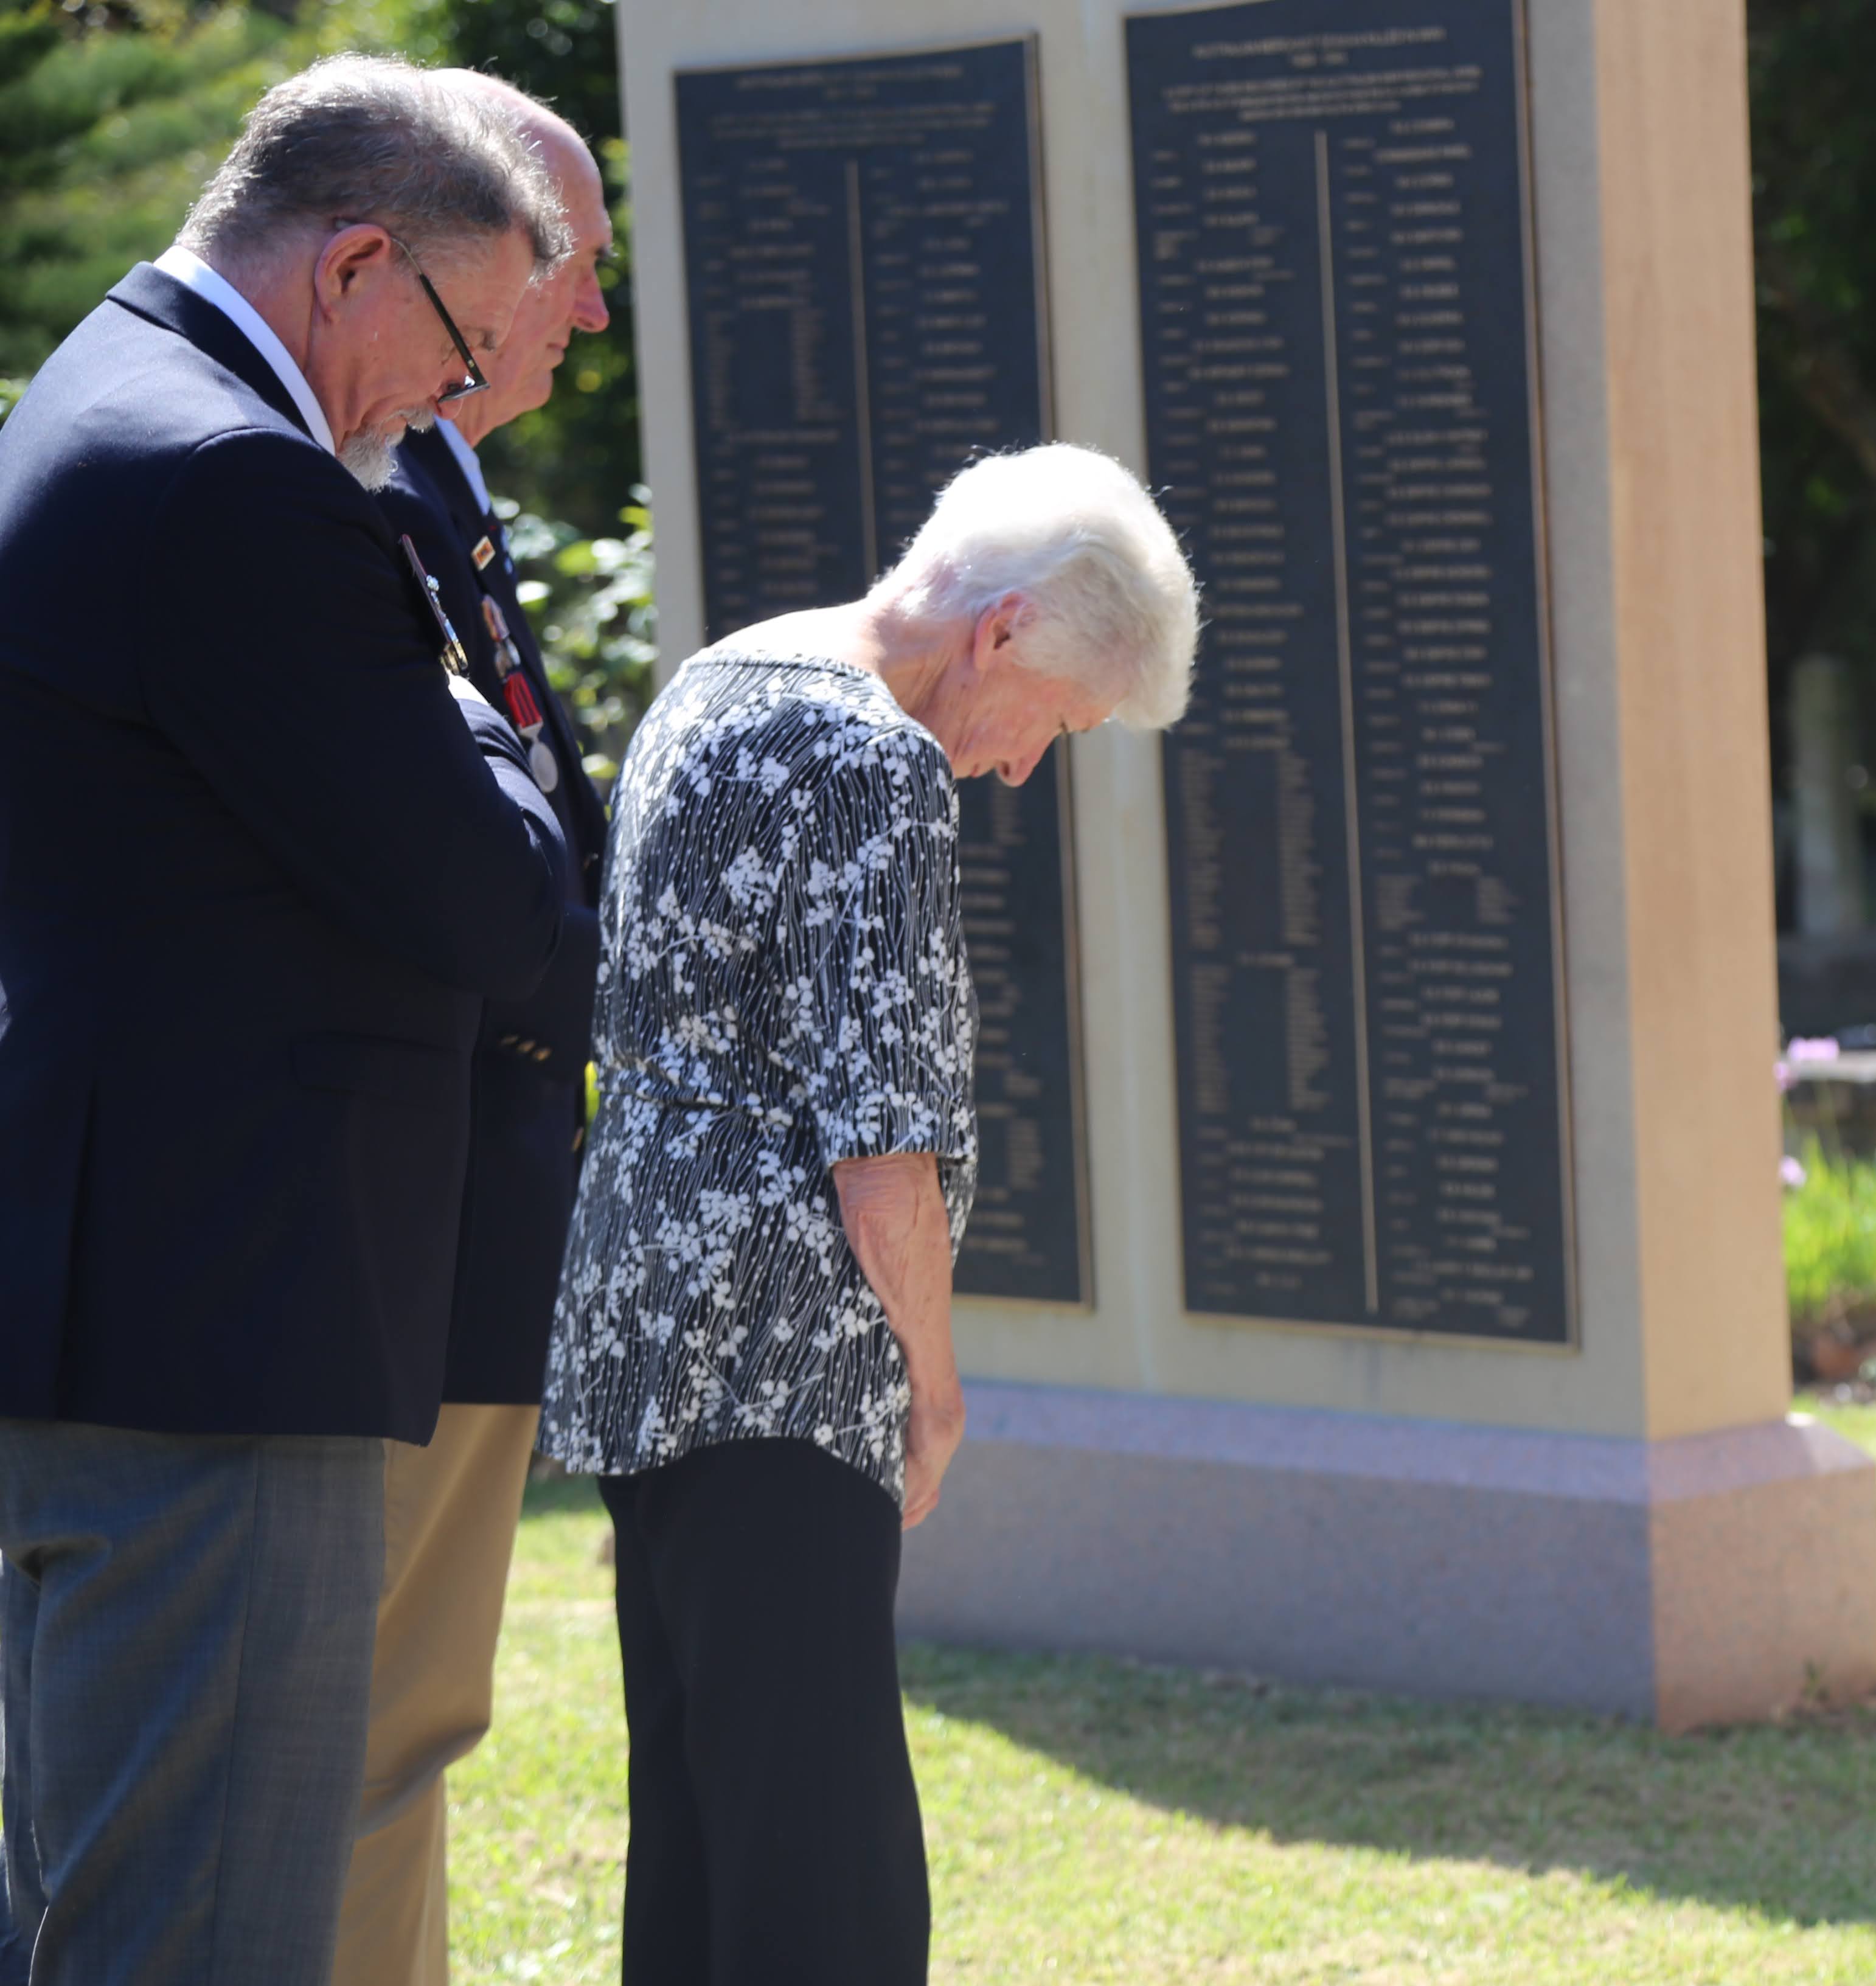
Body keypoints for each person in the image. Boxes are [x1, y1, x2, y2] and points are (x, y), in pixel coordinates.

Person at [0, 55, 579, 1982]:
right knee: (205, 1936)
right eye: (458, 340)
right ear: (351, 264)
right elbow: (495, 892)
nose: (454, 399)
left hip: (131, 1303)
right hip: (221, 1339)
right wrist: (491, 734)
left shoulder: (97, 396)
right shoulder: (242, 479)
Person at [541, 443, 1195, 1981]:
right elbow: (881, 1139)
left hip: (643, 1314)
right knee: (823, 1863)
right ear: (1005, 631)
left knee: (701, 1828)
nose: (1026, 767)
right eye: (1057, 723)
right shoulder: (870, 760)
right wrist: (935, 1378)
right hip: (783, 1350)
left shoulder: (720, 673)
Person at [331, 72, 615, 1986]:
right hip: (382, 1213)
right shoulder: (327, 464)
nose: (583, 317)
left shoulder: (427, 471)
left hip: (465, 1200)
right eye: (567, 271)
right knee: (364, 1734)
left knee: (407, 1733)